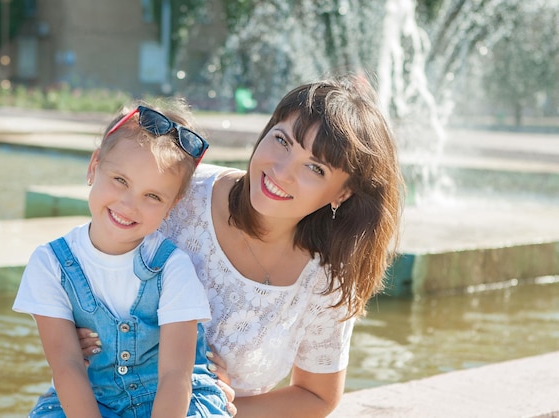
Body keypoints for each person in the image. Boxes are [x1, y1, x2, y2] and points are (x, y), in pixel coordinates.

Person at [79, 74, 405, 417]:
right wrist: (76, 329)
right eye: (281, 141)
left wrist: (222, 406)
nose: (281, 171)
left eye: (314, 167)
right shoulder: (184, 193)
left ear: (342, 193)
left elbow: (318, 396)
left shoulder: (326, 279)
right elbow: (90, 261)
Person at [13, 99, 231, 417]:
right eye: (120, 180)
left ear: (172, 205)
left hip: (171, 399)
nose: (129, 204)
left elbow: (176, 376)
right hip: (89, 397)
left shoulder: (172, 266)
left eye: (153, 196)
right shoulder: (50, 264)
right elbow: (67, 366)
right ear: (94, 166)